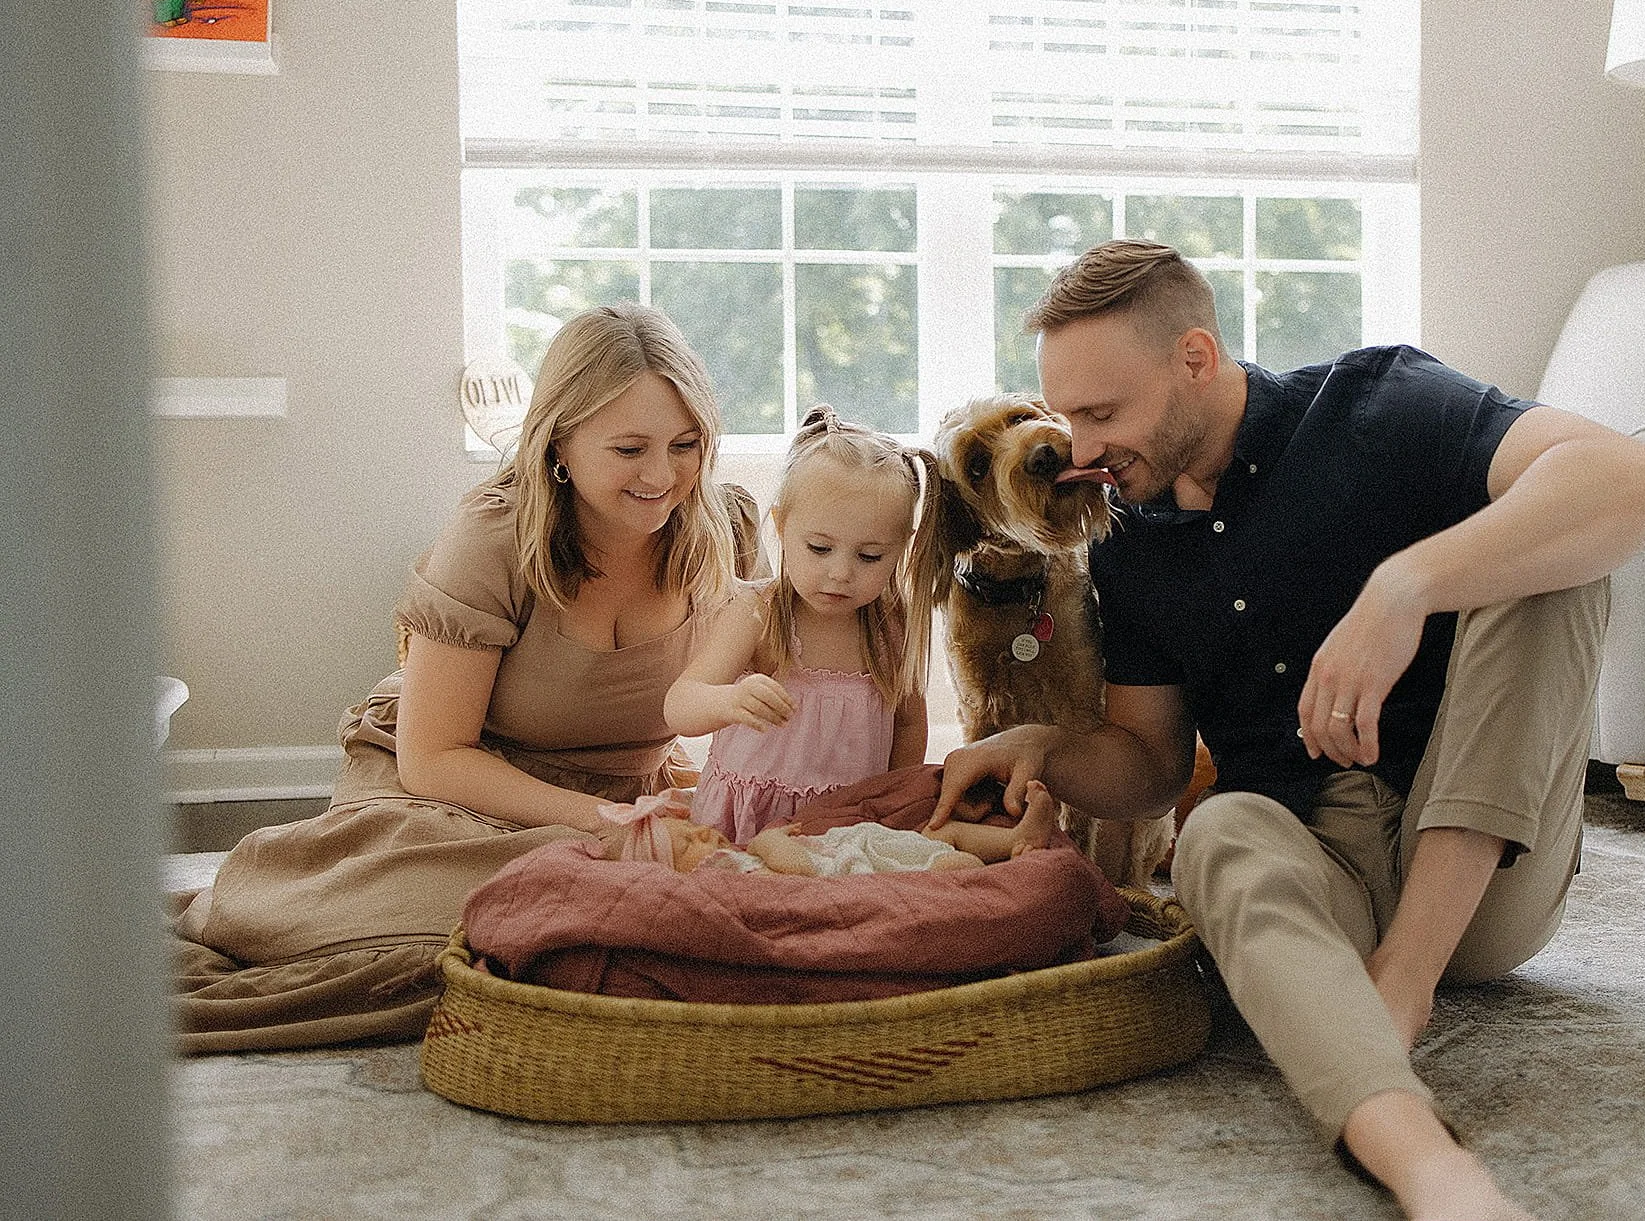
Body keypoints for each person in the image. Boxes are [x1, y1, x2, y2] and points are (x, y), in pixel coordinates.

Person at [930, 240, 1645, 1221]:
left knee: (1547, 557)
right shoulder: (1130, 538)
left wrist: (1404, 587)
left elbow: (1640, 483)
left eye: (1102, 414)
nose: (1078, 450)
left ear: (1194, 359)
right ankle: (1431, 1172)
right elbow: (1152, 766)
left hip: (1476, 866)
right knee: (1214, 831)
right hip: (1316, 867)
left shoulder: (1378, 405)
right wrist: (1042, 749)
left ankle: (1402, 984)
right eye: (1067, 415)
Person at [174, 303, 744, 1052]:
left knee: (695, 909)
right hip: (456, 791)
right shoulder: (494, 536)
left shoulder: (722, 530)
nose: (662, 474)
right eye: (630, 448)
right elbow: (434, 756)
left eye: (686, 443)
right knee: (462, 935)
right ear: (560, 443)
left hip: (623, 795)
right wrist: (594, 824)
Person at [668, 406, 936, 843]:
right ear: (782, 526)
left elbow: (908, 726)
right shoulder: (758, 612)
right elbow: (680, 706)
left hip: (845, 823)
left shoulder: (891, 626)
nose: (841, 573)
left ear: (901, 549)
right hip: (746, 824)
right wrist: (729, 700)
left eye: (870, 556)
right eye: (819, 548)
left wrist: (894, 806)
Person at [601, 779, 1060, 875]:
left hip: (861, 845)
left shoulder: (731, 857)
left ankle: (1015, 841)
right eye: (688, 845)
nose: (704, 834)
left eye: (693, 829)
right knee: (949, 865)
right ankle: (996, 871)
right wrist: (767, 841)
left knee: (941, 836)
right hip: (860, 872)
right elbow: (799, 873)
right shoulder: (728, 876)